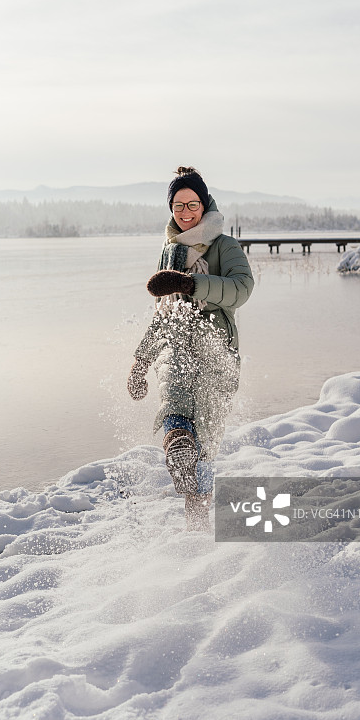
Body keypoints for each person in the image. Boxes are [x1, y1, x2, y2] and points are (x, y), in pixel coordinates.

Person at [127, 166, 254, 531]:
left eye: (192, 204)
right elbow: (162, 314)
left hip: (216, 351)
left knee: (206, 446)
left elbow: (241, 289)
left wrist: (191, 283)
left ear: (204, 203)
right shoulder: (168, 251)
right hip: (177, 348)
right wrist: (141, 360)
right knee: (176, 408)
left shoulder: (224, 246)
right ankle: (178, 447)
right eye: (178, 205)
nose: (185, 213)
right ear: (171, 208)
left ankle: (197, 523)